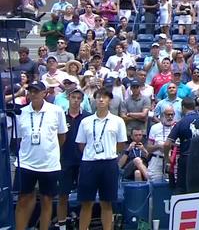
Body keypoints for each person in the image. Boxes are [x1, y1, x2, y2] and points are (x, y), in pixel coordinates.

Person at [14, 81, 67, 230]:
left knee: (47, 200)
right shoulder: (22, 112)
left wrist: (49, 150)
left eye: (36, 91)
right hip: (25, 162)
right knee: (23, 199)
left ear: (44, 93)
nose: (33, 94)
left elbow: (62, 136)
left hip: (49, 163)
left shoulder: (56, 111)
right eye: (31, 91)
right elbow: (19, 138)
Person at [76, 89, 127, 230]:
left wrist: (110, 153)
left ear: (109, 100)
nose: (101, 100)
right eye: (98, 97)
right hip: (89, 163)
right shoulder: (86, 121)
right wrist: (91, 153)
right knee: (86, 202)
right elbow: (81, 144)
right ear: (94, 100)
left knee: (107, 202)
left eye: (104, 97)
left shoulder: (118, 121)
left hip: (109, 163)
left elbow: (121, 144)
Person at [164, 98, 199, 194]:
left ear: (183, 107)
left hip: (186, 158)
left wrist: (167, 157)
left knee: (182, 189)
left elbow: (167, 144)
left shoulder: (181, 123)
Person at [56, 89, 91, 230]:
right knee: (63, 195)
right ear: (68, 98)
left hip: (84, 161)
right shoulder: (61, 117)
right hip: (65, 160)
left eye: (78, 98)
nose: (75, 100)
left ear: (82, 100)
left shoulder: (88, 118)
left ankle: (84, 226)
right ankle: (62, 226)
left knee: (85, 197)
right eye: (73, 97)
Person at [147, 106, 176, 181]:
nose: (170, 117)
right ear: (162, 115)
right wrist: (158, 146)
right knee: (153, 183)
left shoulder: (177, 127)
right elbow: (149, 148)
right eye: (168, 115)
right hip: (157, 160)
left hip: (172, 162)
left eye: (172, 115)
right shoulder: (154, 127)